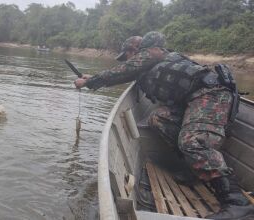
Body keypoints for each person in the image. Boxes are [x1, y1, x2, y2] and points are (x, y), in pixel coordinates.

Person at [75, 31, 254, 220]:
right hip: (194, 99)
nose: (125, 60)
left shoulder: (151, 52)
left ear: (134, 49)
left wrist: (90, 82)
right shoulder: (153, 60)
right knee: (158, 118)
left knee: (192, 142)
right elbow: (126, 73)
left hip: (211, 94)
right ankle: (193, 168)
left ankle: (237, 203)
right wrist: (91, 78)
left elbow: (125, 70)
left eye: (126, 55)